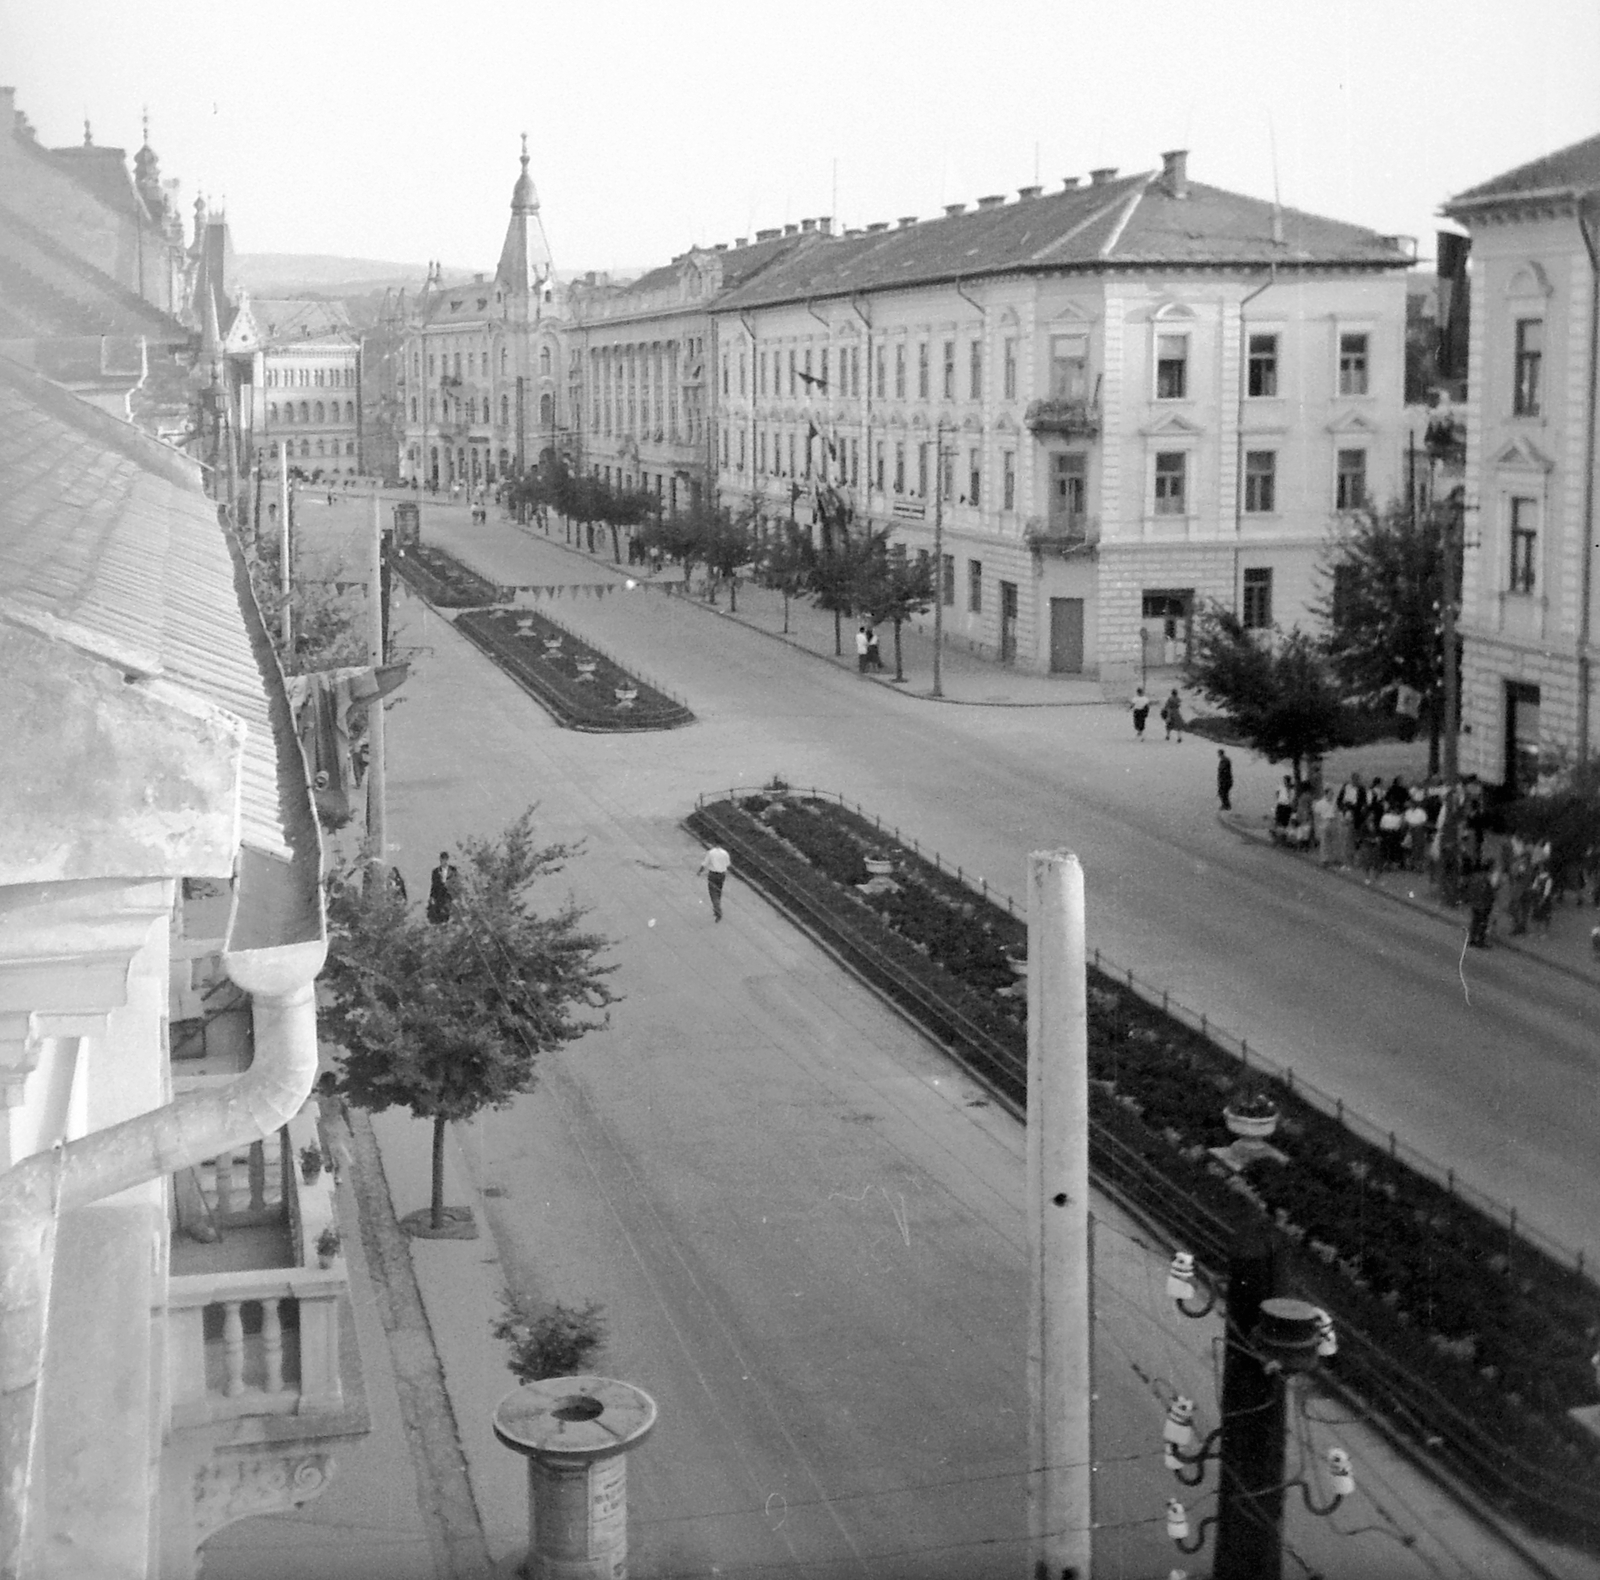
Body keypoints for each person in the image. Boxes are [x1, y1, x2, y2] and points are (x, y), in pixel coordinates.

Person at [696, 844, 731, 922]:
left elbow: (704, 863)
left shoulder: (711, 852)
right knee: (719, 890)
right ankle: (717, 907)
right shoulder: (725, 853)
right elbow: (728, 864)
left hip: (713, 874)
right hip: (722, 874)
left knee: (713, 892)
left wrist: (699, 872)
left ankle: (717, 909)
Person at [426, 852, 457, 924]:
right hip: (439, 895)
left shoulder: (453, 870)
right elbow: (433, 885)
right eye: (441, 859)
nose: (443, 861)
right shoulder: (435, 871)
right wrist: (432, 897)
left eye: (444, 859)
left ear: (447, 859)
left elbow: (456, 883)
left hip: (449, 895)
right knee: (440, 913)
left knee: (449, 912)